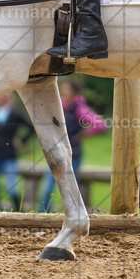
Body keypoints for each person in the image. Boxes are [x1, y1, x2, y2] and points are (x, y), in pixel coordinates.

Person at [38, 80, 107, 212]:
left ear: (74, 93)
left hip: (73, 154)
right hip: (55, 153)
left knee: (71, 189)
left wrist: (84, 134)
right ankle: (43, 215)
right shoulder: (60, 106)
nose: (63, 93)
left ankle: (74, 214)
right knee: (47, 188)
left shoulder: (80, 109)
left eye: (67, 90)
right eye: (62, 90)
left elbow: (101, 124)